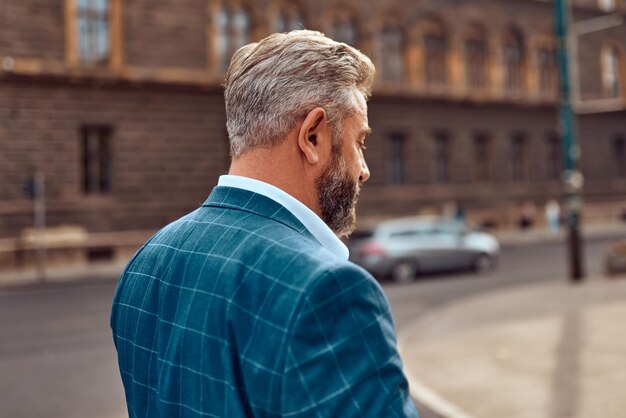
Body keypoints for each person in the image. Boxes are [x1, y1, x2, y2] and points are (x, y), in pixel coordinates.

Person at [110, 30, 419, 417]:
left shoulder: (149, 260)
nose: (364, 170)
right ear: (312, 136)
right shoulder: (329, 292)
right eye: (360, 142)